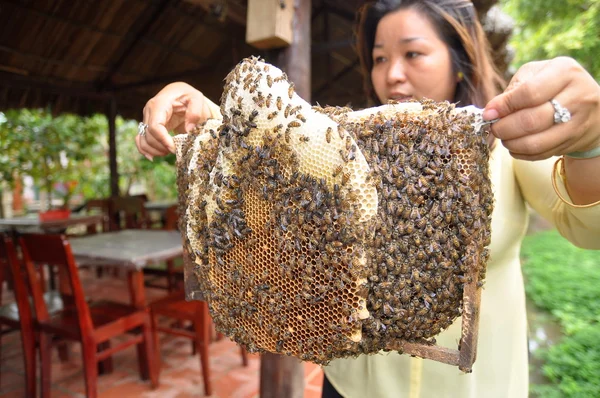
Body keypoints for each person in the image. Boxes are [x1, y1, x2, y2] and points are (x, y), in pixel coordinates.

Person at [136, 0, 600, 396]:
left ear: (458, 59)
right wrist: (209, 123)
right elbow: (273, 180)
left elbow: (587, 225)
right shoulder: (339, 146)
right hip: (351, 385)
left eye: (413, 53)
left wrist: (589, 143)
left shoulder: (504, 143)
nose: (393, 74)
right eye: (379, 58)